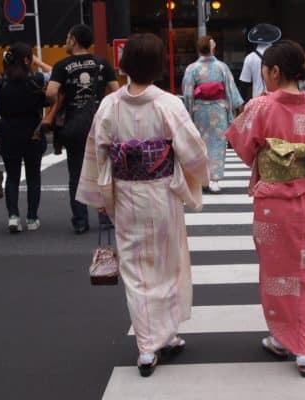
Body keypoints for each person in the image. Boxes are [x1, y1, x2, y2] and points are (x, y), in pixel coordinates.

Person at [76, 33, 209, 377]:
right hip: (161, 192)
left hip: (125, 195)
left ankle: (149, 345)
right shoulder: (168, 104)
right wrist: (197, 175)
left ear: (124, 66)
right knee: (166, 264)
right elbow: (193, 151)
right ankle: (161, 337)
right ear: (160, 66)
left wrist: (101, 198)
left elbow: (97, 152)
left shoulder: (110, 105)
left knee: (136, 271)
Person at [225, 40, 305, 377]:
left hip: (271, 206)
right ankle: (303, 348)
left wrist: (270, 158)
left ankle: (284, 339)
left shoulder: (259, 107)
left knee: (276, 275)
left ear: (273, 71)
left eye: (265, 71)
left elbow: (242, 145)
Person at [46, 24, 119, 234]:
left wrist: (62, 95)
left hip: (74, 126)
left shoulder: (62, 65)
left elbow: (51, 93)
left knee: (77, 174)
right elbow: (115, 92)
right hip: (100, 124)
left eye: (68, 37)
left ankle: (80, 221)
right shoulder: (102, 63)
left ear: (74, 40)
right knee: (104, 171)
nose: (66, 41)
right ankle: (105, 217)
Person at [0, 43, 52, 233]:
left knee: (12, 176)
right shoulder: (37, 80)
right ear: (26, 60)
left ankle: (13, 217)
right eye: (30, 58)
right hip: (33, 132)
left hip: (8, 132)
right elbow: (53, 72)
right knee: (34, 177)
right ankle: (32, 218)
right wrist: (38, 61)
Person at [182, 35, 244, 193]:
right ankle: (215, 179)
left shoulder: (192, 68)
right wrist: (237, 108)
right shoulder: (222, 67)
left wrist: (188, 112)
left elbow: (188, 93)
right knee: (217, 144)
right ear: (212, 48)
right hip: (218, 110)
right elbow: (230, 89)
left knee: (200, 144)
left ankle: (204, 179)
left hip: (199, 111)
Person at [239, 23, 282, 99]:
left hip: (257, 100)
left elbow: (244, 85)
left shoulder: (250, 58)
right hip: (277, 99)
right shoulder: (280, 54)